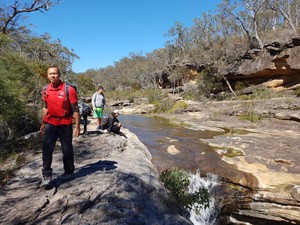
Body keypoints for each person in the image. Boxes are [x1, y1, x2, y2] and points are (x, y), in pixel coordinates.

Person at [39, 65, 80, 187]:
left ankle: (69, 171)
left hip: (65, 123)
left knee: (67, 149)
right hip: (51, 123)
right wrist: (43, 122)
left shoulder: (69, 89)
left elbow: (76, 109)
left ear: (59, 75)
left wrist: (77, 127)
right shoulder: (45, 89)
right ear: (47, 75)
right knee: (47, 148)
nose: (53, 76)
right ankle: (46, 175)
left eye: (55, 73)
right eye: (50, 74)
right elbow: (45, 107)